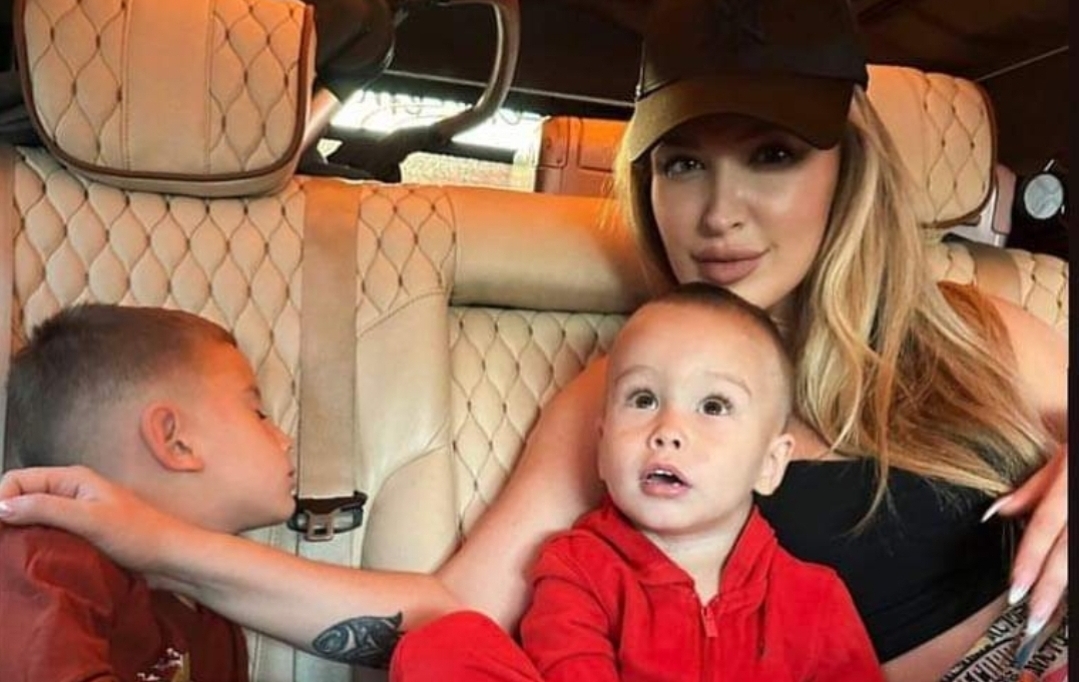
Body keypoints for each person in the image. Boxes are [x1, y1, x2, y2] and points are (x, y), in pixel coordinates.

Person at [0, 0, 1067, 680]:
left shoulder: (980, 329)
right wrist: (152, 539)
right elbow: (451, 612)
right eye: (682, 163)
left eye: (773, 155)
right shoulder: (624, 391)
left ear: (849, 169)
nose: (717, 214)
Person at [390, 283, 884, 682]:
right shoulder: (578, 567)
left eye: (713, 406)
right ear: (602, 446)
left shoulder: (816, 599)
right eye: (643, 399)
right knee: (443, 646)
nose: (668, 430)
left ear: (770, 465)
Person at [0, 304, 295, 682]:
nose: (285, 440)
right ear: (175, 439)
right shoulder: (44, 566)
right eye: (258, 414)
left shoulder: (209, 606)